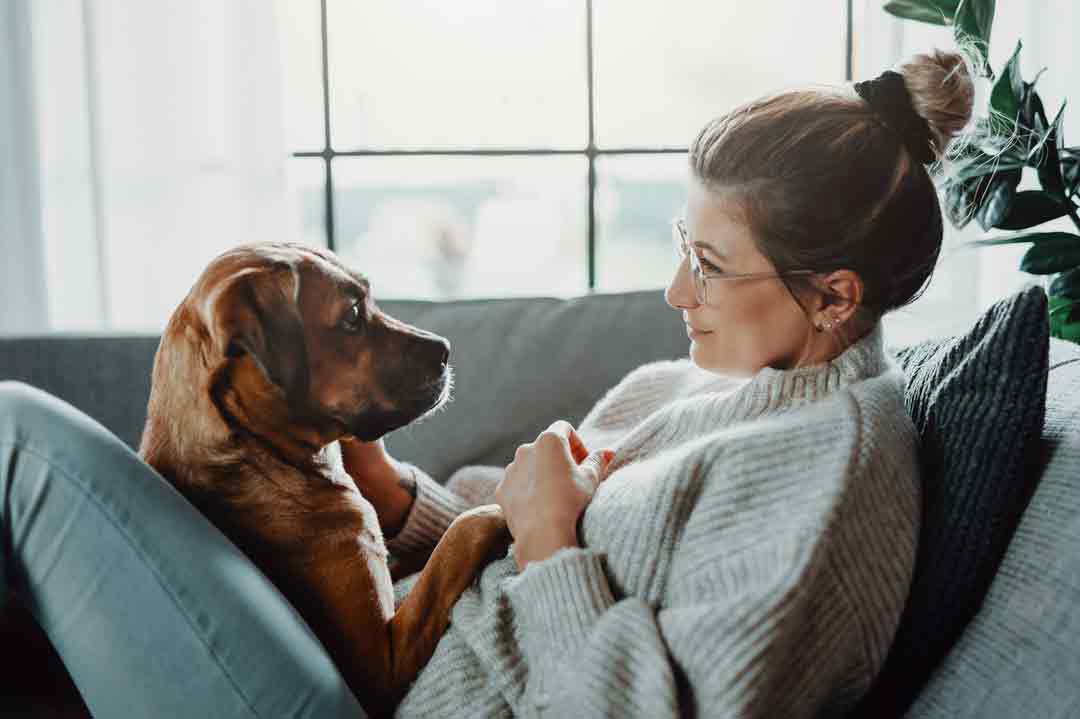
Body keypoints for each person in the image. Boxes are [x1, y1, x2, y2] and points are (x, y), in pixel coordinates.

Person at [0, 49, 974, 718]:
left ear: (835, 295)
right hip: (370, 647)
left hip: (374, 696)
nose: (676, 288)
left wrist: (552, 542)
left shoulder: (832, 479)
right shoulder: (677, 384)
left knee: (16, 440)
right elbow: (493, 519)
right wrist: (396, 498)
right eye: (684, 244)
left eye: (710, 264)